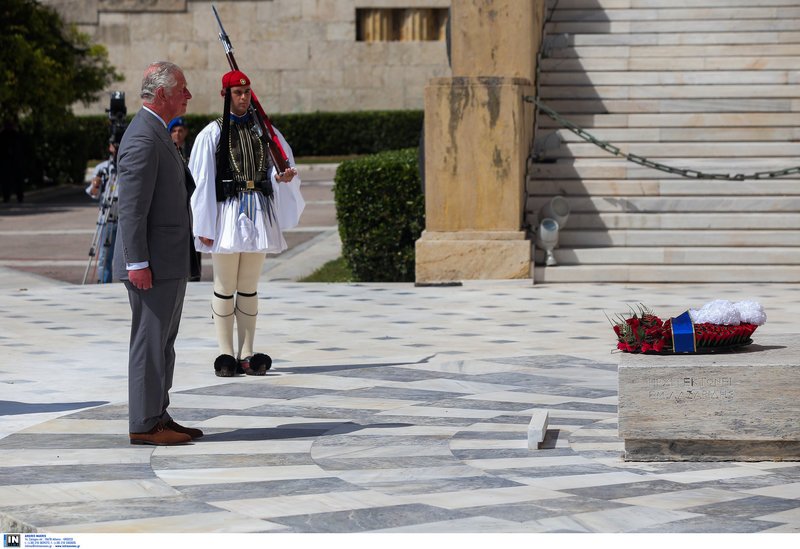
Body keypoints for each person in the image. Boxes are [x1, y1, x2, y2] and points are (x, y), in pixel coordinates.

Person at [189, 69, 304, 378]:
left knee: (249, 287)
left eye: (247, 92)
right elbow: (201, 183)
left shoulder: (263, 131)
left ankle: (247, 353)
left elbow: (274, 167)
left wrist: (280, 177)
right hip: (227, 213)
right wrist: (204, 226)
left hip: (258, 212)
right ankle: (225, 352)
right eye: (238, 93)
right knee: (225, 287)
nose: (243, 97)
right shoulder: (212, 134)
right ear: (225, 95)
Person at [112, 61, 202, 446]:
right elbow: (131, 207)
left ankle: (157, 414)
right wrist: (137, 263)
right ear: (162, 94)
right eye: (182, 88)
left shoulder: (156, 131)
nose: (188, 95)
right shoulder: (144, 137)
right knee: (149, 343)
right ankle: (144, 423)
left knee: (163, 343)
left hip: (167, 260)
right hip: (152, 264)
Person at [168, 116, 202, 281]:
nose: (177, 134)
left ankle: (195, 276)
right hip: (176, 205)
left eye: (181, 131)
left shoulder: (193, 151)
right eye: (174, 131)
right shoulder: (167, 152)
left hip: (193, 204)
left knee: (195, 244)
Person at [86, 141, 119, 283]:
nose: (116, 147)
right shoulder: (102, 168)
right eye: (114, 144)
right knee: (104, 257)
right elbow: (94, 193)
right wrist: (96, 184)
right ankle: (104, 284)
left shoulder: (130, 165)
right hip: (107, 217)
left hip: (124, 216)